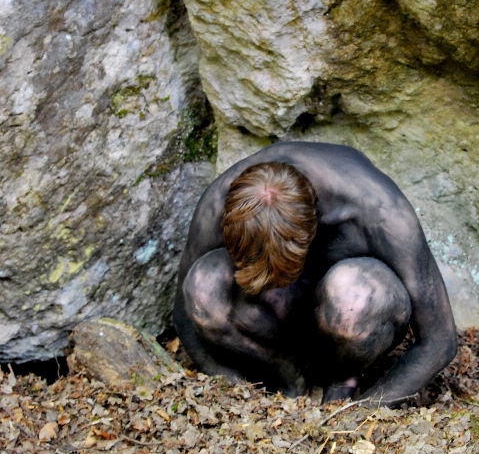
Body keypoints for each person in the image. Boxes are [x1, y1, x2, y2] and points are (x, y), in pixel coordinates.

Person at [173, 142, 457, 405]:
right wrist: (231, 386)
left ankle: (341, 383)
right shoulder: (217, 202)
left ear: (313, 230)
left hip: (347, 331)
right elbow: (184, 316)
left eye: (284, 273)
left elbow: (439, 341)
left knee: (353, 293)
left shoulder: (382, 211)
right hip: (276, 338)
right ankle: (287, 377)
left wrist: (365, 412)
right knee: (203, 285)